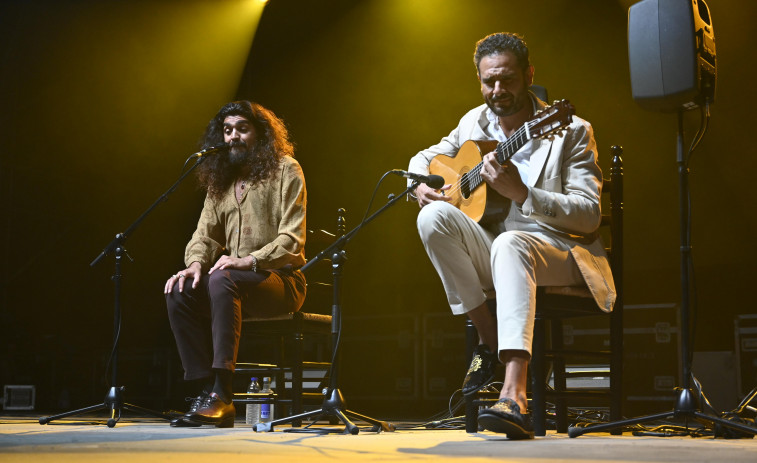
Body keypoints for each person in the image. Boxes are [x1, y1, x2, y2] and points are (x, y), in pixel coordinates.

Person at [409, 32, 615, 439]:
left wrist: (522, 193)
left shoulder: (570, 130)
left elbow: (590, 215)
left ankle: (513, 394)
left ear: (528, 75)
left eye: (507, 80)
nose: (497, 91)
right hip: (500, 257)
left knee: (511, 243)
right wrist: (419, 185)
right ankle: (490, 335)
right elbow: (423, 157)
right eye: (489, 82)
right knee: (432, 217)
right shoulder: (474, 122)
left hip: (561, 252)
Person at [164, 100, 307, 428]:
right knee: (179, 289)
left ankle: (222, 394)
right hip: (229, 288)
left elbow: (292, 240)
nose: (233, 137)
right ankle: (207, 392)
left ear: (261, 134)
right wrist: (195, 263)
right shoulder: (220, 182)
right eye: (227, 130)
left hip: (280, 282)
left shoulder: (286, 169)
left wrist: (248, 260)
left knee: (222, 278)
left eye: (242, 129)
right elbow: (203, 235)